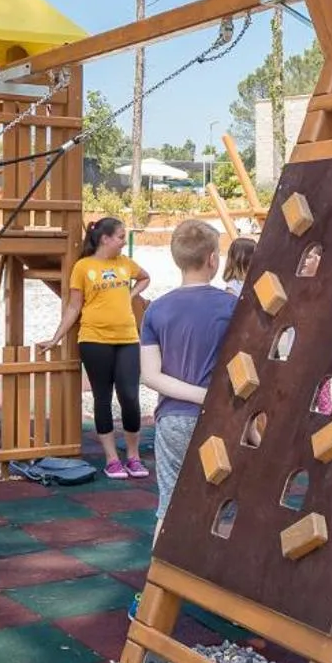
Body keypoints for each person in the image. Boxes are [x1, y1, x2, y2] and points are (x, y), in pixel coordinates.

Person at [139, 219, 237, 524]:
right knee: (221, 507)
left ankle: (159, 571)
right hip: (219, 419)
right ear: (212, 259)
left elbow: (150, 376)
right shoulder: (232, 306)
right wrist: (209, 395)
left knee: (168, 507)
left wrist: (197, 395)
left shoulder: (156, 309)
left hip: (172, 418)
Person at [46, 217, 152, 478]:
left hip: (127, 338)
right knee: (102, 397)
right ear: (105, 239)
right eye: (119, 237)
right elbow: (74, 306)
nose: (122, 242)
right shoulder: (83, 267)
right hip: (94, 339)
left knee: (129, 395)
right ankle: (112, 459)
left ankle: (134, 456)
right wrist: (56, 336)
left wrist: (129, 295)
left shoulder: (125, 264)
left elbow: (145, 277)